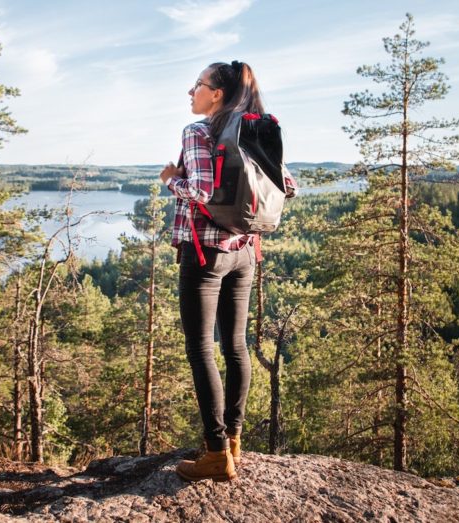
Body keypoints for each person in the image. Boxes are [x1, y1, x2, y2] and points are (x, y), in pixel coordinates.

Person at [159, 61, 297, 482]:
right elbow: (288, 185)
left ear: (216, 93)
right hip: (245, 252)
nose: (190, 92)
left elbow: (200, 191)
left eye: (198, 85)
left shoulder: (199, 132)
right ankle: (233, 441)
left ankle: (217, 453)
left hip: (205, 254)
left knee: (201, 347)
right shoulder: (253, 128)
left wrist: (170, 179)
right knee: (235, 347)